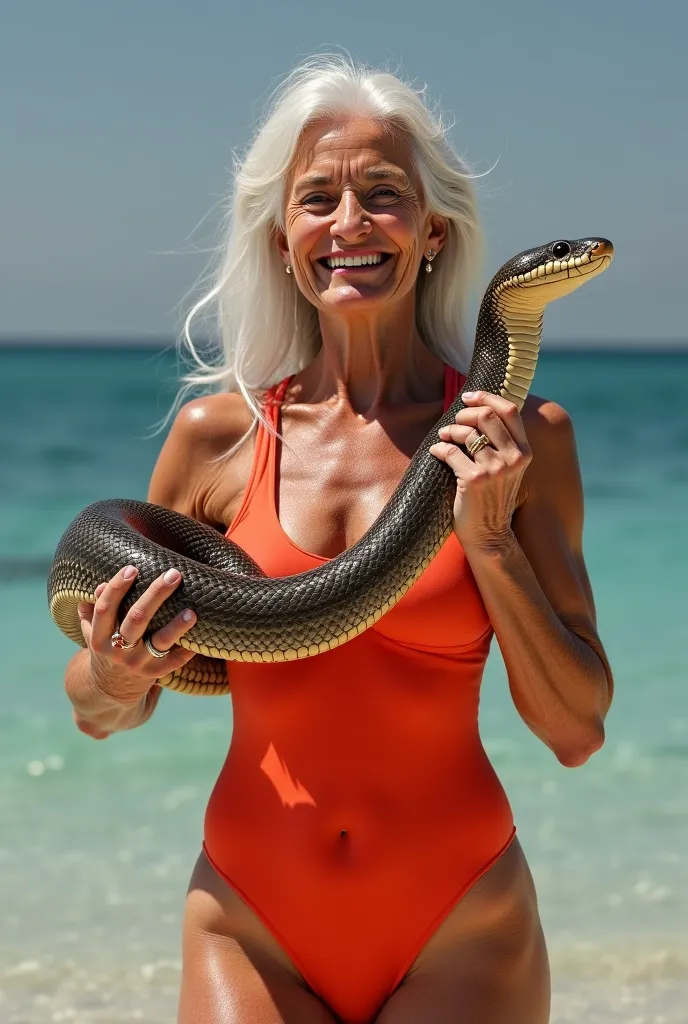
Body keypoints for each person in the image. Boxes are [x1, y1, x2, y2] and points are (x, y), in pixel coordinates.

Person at [64, 56, 613, 1024]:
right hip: (250, 915)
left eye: (382, 195)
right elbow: (104, 712)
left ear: (433, 232)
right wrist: (112, 678)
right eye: (317, 198)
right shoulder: (216, 440)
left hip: (459, 922)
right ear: (282, 240)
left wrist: (486, 543)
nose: (348, 223)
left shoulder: (524, 441)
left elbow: (574, 730)